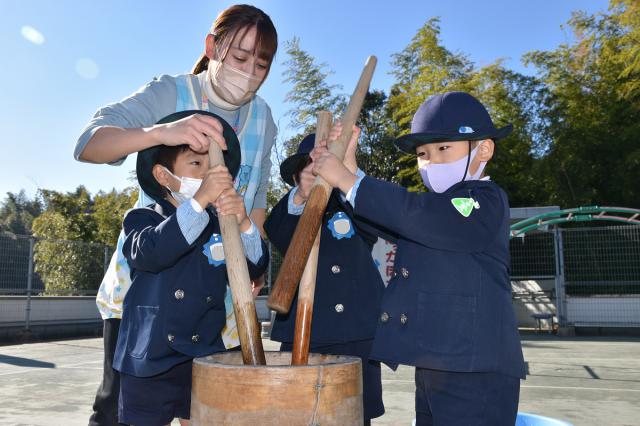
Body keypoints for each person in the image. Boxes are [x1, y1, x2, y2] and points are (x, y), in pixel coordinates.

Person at [75, 5, 278, 425]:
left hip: (209, 301)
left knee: (203, 410)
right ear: (212, 47)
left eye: (261, 64)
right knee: (120, 410)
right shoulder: (171, 93)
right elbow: (88, 145)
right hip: (144, 296)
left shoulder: (263, 117)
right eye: (239, 58)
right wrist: (160, 132)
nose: (249, 73)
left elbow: (254, 196)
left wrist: (253, 265)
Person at [311, 92, 526, 426]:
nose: (431, 161)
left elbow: (417, 215)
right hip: (436, 362)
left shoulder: (485, 200)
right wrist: (350, 166)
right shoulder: (431, 213)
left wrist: (348, 179)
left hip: (476, 367)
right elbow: (389, 219)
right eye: (423, 154)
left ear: (483, 149)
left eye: (444, 148)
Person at [113, 119, 269, 425]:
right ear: (163, 175)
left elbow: (254, 266)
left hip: (202, 353)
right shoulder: (142, 218)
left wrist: (243, 222)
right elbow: (152, 252)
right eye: (196, 163)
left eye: (213, 166)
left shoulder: (219, 225)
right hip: (149, 355)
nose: (207, 173)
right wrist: (200, 201)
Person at [265, 127, 386, 424]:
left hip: (355, 332)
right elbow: (278, 233)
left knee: (356, 410)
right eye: (308, 170)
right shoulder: (291, 212)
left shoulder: (353, 206)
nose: (317, 174)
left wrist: (347, 181)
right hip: (304, 330)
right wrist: (302, 197)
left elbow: (377, 222)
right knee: (299, 409)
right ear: (295, 179)